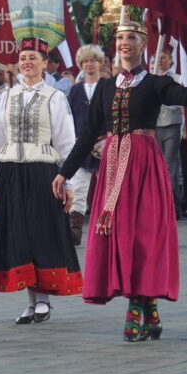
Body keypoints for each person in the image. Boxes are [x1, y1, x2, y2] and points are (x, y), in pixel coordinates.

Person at [53, 21, 187, 342]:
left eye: (131, 37)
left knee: (143, 238)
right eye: (120, 37)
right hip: (114, 169)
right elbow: (87, 136)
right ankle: (149, 309)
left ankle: (136, 310)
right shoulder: (105, 87)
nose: (124, 42)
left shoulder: (156, 83)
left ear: (143, 43)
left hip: (144, 167)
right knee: (122, 237)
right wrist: (64, 172)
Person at [0, 38, 82, 323]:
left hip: (42, 173)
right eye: (23, 58)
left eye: (33, 58)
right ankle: (32, 303)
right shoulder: (7, 96)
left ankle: (43, 300)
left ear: (45, 63)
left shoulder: (54, 97)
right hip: (10, 173)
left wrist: (68, 182)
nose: (27, 63)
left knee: (39, 234)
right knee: (18, 236)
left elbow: (66, 141)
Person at [66, 44, 104, 243]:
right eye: (85, 61)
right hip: (81, 144)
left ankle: (108, 228)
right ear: (80, 64)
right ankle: (75, 229)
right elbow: (69, 117)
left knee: (108, 188)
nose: (89, 64)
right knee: (79, 187)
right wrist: (73, 137)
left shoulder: (109, 86)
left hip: (104, 144)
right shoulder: (74, 91)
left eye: (93, 60)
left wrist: (109, 137)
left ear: (100, 63)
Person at [153, 48, 185, 218]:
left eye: (164, 58)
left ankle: (174, 206)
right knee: (156, 166)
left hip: (172, 124)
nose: (160, 61)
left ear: (171, 60)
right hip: (154, 126)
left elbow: (181, 102)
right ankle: (158, 206)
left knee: (170, 164)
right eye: (157, 58)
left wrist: (162, 100)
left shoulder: (177, 79)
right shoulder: (151, 78)